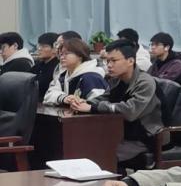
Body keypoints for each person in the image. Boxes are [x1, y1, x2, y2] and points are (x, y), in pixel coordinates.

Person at [67, 39, 164, 169]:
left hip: (144, 138)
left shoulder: (145, 82)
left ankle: (115, 181)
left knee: (100, 154)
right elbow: (105, 97)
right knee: (82, 147)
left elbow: (130, 111)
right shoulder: (116, 80)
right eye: (107, 61)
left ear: (130, 61)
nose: (109, 65)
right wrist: (84, 102)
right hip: (120, 133)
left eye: (114, 61)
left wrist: (92, 107)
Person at [43, 38, 107, 106]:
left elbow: (99, 103)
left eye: (66, 54)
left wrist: (82, 103)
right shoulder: (64, 76)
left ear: (80, 55)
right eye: (61, 54)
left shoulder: (91, 77)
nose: (62, 57)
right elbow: (48, 95)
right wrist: (64, 98)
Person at [31, 33, 59, 101]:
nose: (39, 49)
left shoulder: (57, 67)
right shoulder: (38, 65)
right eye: (39, 45)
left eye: (44, 46)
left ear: (55, 49)